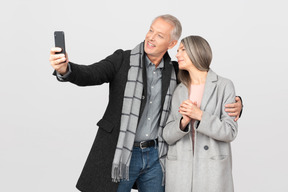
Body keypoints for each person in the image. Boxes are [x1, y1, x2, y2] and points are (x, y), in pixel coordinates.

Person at [49, 15, 242, 192]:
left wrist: (238, 103)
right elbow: (91, 74)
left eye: (159, 35)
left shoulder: (176, 72)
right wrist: (66, 69)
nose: (150, 38)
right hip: (121, 153)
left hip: (157, 157)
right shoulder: (122, 60)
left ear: (172, 43)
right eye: (150, 30)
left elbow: (205, 80)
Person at [163, 35, 238, 192]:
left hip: (212, 172)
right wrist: (183, 122)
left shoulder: (224, 86)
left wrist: (200, 115)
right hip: (180, 172)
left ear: (197, 52)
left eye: (182, 50)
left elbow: (230, 132)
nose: (177, 55)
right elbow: (167, 136)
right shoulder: (179, 89)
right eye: (178, 50)